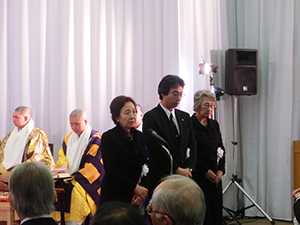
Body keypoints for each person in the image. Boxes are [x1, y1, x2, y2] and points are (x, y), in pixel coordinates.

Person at [143, 74, 196, 194]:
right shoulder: (151, 117)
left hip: (185, 176)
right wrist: (176, 169)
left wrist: (188, 169)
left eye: (181, 94)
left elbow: (192, 143)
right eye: (175, 93)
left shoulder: (185, 117)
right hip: (162, 176)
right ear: (163, 93)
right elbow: (156, 148)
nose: (179, 98)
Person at [52, 109, 105, 225]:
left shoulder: (95, 139)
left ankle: (74, 222)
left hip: (84, 179)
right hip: (68, 176)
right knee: (54, 187)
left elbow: (94, 165)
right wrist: (63, 165)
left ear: (85, 122)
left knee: (74, 191)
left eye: (76, 124)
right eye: (71, 124)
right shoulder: (68, 138)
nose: (73, 127)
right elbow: (62, 156)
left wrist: (75, 176)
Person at [100, 95, 148, 206]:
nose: (132, 116)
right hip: (115, 195)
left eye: (134, 112)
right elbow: (112, 171)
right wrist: (134, 188)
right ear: (117, 117)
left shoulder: (140, 136)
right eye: (127, 113)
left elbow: (146, 164)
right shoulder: (109, 138)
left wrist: (141, 192)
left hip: (137, 195)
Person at [191, 90, 226, 225]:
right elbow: (191, 152)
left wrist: (220, 171)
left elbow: (221, 148)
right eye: (207, 105)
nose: (210, 108)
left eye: (212, 105)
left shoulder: (214, 125)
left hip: (215, 177)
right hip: (200, 176)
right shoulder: (190, 124)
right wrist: (205, 171)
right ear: (198, 105)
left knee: (215, 212)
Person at [0, 106, 54, 191]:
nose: (13, 120)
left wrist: (17, 171)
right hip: (7, 173)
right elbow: (2, 152)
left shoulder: (36, 134)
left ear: (25, 118)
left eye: (16, 117)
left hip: (25, 173)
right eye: (13, 117)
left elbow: (37, 158)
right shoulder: (11, 135)